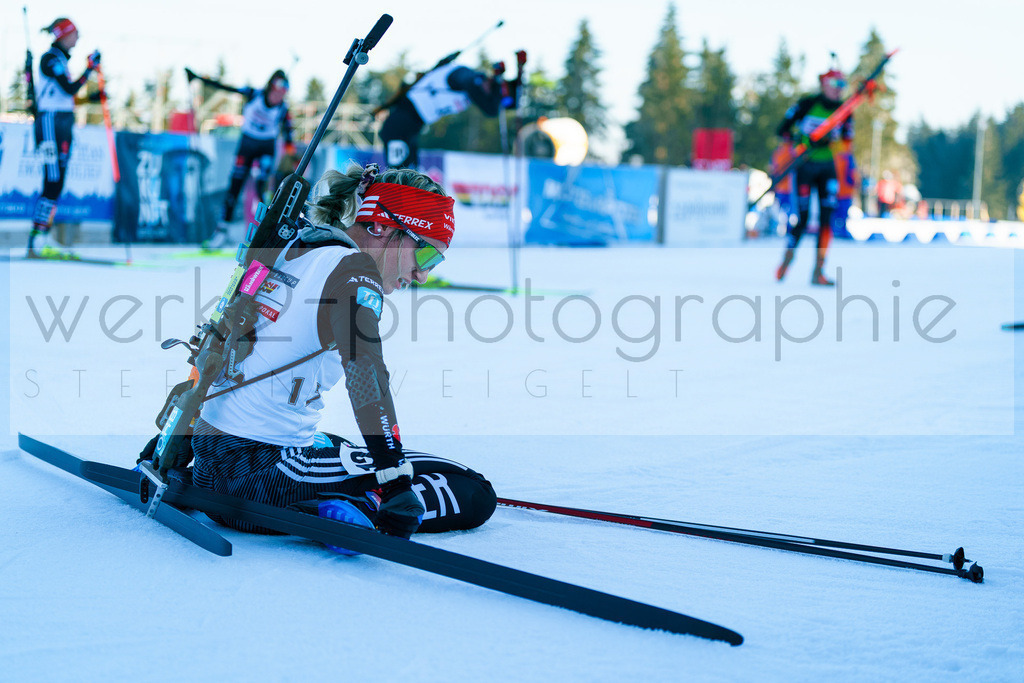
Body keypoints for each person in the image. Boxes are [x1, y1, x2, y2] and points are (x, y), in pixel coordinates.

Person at [143, 161, 495, 541]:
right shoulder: (352, 270)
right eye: (426, 255)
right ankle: (360, 508)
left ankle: (331, 495)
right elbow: (366, 372)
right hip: (261, 478)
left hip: (210, 462)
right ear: (382, 226)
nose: (423, 274)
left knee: (339, 445)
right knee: (471, 489)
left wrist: (176, 439)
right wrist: (394, 481)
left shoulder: (292, 245)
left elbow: (220, 339)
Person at [185, 68, 296, 249]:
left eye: (284, 90)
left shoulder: (283, 108)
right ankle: (221, 233)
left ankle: (267, 233)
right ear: (270, 86)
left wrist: (291, 156)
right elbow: (226, 88)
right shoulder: (254, 94)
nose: (280, 94)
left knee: (263, 188)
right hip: (247, 145)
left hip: (266, 147)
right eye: (278, 88)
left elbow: (289, 132)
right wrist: (198, 79)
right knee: (235, 186)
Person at [28, 17, 102, 258]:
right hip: (49, 123)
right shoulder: (50, 58)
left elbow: (67, 97)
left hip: (62, 123)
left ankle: (43, 235)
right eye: (74, 33)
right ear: (62, 35)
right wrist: (90, 68)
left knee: (57, 181)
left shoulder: (61, 60)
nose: (78, 38)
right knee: (52, 179)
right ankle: (38, 237)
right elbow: (67, 89)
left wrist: (93, 98)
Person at [376, 51, 525, 169]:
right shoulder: (465, 75)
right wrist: (499, 80)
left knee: (410, 177)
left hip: (413, 127)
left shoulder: (473, 88)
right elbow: (490, 109)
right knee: (398, 178)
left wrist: (518, 73)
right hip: (400, 122)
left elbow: (490, 106)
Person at [774, 66, 854, 286]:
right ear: (823, 84)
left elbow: (847, 140)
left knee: (827, 219)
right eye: (835, 84)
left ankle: (818, 270)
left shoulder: (844, 110)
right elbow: (782, 130)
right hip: (804, 166)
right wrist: (804, 139)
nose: (839, 90)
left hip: (827, 167)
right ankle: (787, 260)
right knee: (803, 218)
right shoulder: (807, 104)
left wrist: (833, 140)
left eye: (842, 85)